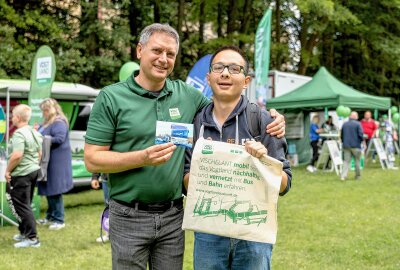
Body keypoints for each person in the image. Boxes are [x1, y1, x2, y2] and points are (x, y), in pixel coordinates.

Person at [84, 23, 286, 270]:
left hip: (172, 216)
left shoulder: (187, 96)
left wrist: (274, 118)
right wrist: (142, 157)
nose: (163, 59)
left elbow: (226, 103)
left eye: (170, 54)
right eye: (157, 51)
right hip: (129, 216)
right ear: (139, 51)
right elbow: (92, 160)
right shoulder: (111, 97)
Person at [183, 45, 292, 270]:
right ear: (208, 77)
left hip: (253, 235)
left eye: (234, 68)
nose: (225, 73)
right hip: (208, 233)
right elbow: (185, 179)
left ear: (246, 80)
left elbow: (284, 185)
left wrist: (264, 162)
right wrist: (207, 170)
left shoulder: (264, 121)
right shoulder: (195, 123)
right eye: (218, 67)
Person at [5, 104, 41, 248]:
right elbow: (40, 154)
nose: (11, 118)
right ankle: (24, 232)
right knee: (25, 204)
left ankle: (32, 238)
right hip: (33, 171)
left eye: (13, 116)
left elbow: (17, 155)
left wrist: (7, 170)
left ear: (18, 118)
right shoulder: (34, 132)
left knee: (21, 206)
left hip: (22, 173)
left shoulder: (19, 134)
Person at [37, 98, 73, 230]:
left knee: (55, 190)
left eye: (45, 110)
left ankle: (59, 219)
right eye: (43, 110)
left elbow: (59, 139)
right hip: (47, 161)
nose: (44, 113)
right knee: (48, 189)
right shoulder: (47, 123)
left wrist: (42, 138)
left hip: (56, 162)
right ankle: (50, 216)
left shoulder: (59, 122)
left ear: (51, 109)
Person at [340, 111, 363, 180]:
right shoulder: (358, 124)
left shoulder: (345, 124)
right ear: (356, 117)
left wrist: (343, 142)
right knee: (357, 161)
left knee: (346, 161)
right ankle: (357, 176)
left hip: (346, 145)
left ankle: (343, 176)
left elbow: (341, 135)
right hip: (356, 145)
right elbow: (361, 134)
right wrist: (360, 141)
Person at [91, 172, 110, 242]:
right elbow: (99, 160)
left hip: (123, 179)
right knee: (108, 208)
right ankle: (108, 235)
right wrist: (95, 177)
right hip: (106, 179)